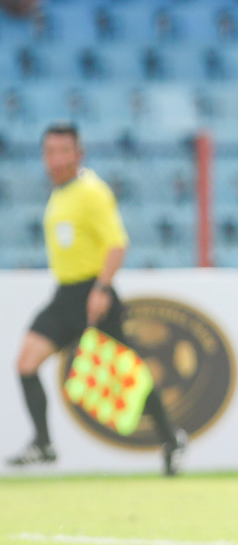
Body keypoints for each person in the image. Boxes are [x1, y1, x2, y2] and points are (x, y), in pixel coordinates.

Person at [8, 123, 187, 474]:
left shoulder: (92, 192)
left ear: (79, 154)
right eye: (49, 151)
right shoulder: (60, 193)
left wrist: (101, 289)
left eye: (63, 151)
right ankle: (43, 443)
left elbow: (117, 244)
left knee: (128, 375)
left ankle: (171, 438)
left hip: (92, 293)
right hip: (65, 294)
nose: (55, 159)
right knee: (26, 363)